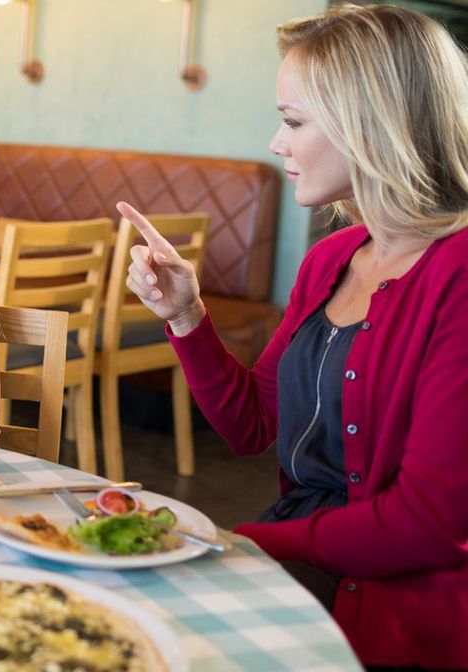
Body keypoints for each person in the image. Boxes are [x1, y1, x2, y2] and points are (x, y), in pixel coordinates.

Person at [118, 4, 468, 669]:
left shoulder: (459, 275)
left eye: (293, 121)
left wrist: (233, 538)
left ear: (371, 126)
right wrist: (186, 316)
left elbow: (429, 525)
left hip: (402, 609)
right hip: (306, 563)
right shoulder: (331, 259)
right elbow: (253, 425)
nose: (277, 143)